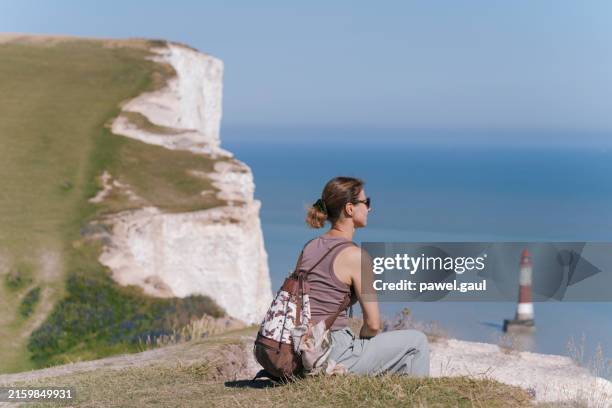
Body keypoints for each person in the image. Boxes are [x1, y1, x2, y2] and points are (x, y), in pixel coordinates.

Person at [301, 176, 430, 377]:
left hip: (303, 346)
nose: (369, 208)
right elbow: (373, 324)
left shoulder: (309, 247)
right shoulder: (357, 257)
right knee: (417, 342)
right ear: (350, 209)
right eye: (366, 202)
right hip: (334, 350)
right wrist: (362, 342)